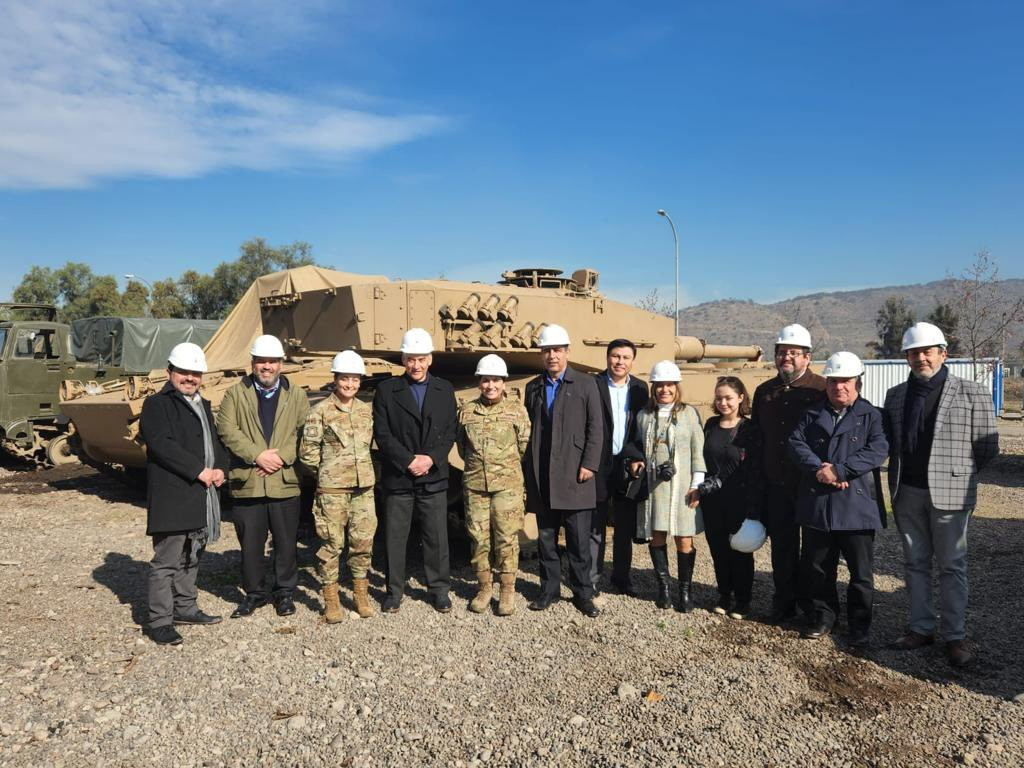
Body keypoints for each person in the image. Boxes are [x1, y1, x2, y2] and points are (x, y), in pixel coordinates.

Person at [883, 322, 999, 667]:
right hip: (908, 491)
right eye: (913, 352)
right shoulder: (896, 396)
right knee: (915, 563)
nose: (921, 358)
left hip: (951, 492)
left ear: (943, 353)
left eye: (926, 351)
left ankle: (955, 636)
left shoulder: (971, 392)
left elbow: (988, 445)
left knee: (952, 566)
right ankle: (921, 628)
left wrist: (957, 472)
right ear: (906, 357)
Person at [788, 352, 888, 648]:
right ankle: (823, 616)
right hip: (819, 502)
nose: (839, 387)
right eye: (833, 381)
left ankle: (859, 625)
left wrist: (841, 470)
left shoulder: (872, 415)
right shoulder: (812, 413)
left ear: (857, 382)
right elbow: (796, 443)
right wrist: (821, 471)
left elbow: (878, 449)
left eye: (845, 381)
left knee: (860, 573)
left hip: (856, 504)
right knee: (818, 567)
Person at [139, 343, 228, 645]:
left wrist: (220, 469)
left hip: (200, 494)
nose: (190, 378)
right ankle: (160, 621)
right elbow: (162, 445)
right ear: (169, 372)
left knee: (192, 555)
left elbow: (213, 441)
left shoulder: (202, 404)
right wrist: (198, 470)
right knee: (167, 561)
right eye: (183, 372)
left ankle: (186, 608)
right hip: (174, 495)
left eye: (195, 373)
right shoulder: (157, 404)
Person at [217, 335, 309, 619]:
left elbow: (305, 432)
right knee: (251, 544)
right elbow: (226, 429)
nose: (266, 366)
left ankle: (284, 593)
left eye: (272, 361)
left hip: (284, 481)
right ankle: (254, 593)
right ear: (253, 363)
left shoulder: (296, 394)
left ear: (281, 363)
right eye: (261, 361)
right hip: (250, 481)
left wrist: (281, 456)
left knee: (285, 543)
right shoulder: (236, 394)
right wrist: (258, 455)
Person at [373, 328, 458, 613]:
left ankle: (439, 589)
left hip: (432, 476)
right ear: (403, 359)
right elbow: (382, 434)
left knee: (436, 536)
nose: (416, 365)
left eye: (421, 359)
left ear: (430, 359)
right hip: (399, 475)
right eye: (411, 359)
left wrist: (431, 459)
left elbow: (449, 432)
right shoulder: (386, 390)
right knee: (395, 537)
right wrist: (409, 460)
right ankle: (394, 591)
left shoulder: (445, 389)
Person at [523, 324, 604, 618]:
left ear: (567, 352)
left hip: (575, 476)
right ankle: (549, 590)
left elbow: (596, 429)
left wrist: (589, 464)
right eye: (547, 350)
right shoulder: (533, 387)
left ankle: (583, 593)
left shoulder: (585, 384)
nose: (552, 356)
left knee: (578, 541)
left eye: (557, 350)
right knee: (546, 539)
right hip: (543, 475)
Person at [750, 323, 827, 623]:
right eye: (782, 352)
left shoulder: (821, 389)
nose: (787, 358)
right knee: (782, 547)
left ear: (807, 357)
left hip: (810, 484)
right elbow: (758, 437)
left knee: (813, 550)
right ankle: (783, 602)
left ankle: (812, 606)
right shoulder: (764, 392)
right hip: (776, 483)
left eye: (794, 353)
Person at [299, 350, 377, 623]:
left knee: (362, 542)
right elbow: (308, 454)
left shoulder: (366, 411)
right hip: (332, 490)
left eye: (355, 380)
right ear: (335, 379)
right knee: (332, 544)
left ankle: (360, 596)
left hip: (364, 489)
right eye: (345, 379)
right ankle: (331, 601)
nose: (350, 385)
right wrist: (329, 473)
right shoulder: (319, 412)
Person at [627, 360, 706, 613]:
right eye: (660, 385)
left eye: (670, 385)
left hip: (683, 486)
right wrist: (636, 463)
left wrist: (697, 484)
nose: (665, 390)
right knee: (657, 536)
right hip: (653, 487)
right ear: (654, 388)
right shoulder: (644, 416)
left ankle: (684, 591)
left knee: (684, 539)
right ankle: (664, 589)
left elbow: (698, 451)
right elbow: (636, 448)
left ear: (677, 386)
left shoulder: (689, 414)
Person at [455, 354, 531, 616]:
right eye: (486, 380)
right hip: (475, 484)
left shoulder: (516, 411)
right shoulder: (466, 412)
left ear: (504, 383)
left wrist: (503, 468)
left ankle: (507, 590)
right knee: (478, 538)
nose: (491, 385)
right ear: (479, 382)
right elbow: (463, 448)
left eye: (496, 380)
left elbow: (523, 446)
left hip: (507, 485)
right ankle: (485, 587)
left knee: (507, 538)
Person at [689, 376, 760, 620]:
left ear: (741, 398)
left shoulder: (749, 429)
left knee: (740, 551)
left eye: (728, 398)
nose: (723, 403)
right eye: (719, 398)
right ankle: (724, 595)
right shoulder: (710, 424)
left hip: (739, 500)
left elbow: (753, 468)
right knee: (718, 550)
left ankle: (743, 600)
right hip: (713, 501)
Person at [591, 339, 649, 597]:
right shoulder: (593, 384)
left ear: (632, 361)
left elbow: (641, 427)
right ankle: (592, 577)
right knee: (595, 523)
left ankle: (621, 577)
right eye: (615, 356)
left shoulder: (639, 387)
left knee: (624, 526)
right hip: (599, 463)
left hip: (627, 463)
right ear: (607, 358)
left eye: (625, 357)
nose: (620, 362)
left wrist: (638, 456)